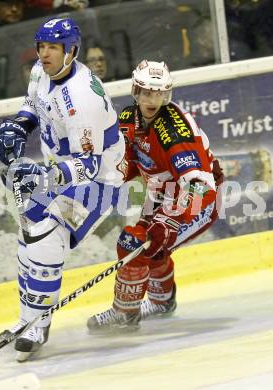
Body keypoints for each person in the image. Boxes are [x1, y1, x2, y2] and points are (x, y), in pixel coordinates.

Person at [0, 17, 125, 361]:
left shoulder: (83, 97)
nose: (45, 53)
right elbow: (33, 106)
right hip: (59, 171)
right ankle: (28, 322)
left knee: (47, 236)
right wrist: (19, 127)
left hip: (97, 183)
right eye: (41, 46)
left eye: (53, 47)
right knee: (28, 238)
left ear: (71, 51)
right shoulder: (41, 70)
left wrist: (41, 178)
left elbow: (90, 165)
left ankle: (37, 326)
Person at [87, 59, 224, 332]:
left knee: (135, 243)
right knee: (149, 246)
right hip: (161, 193)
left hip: (198, 200)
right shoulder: (128, 119)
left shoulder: (173, 130)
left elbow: (200, 186)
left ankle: (125, 312)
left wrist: (171, 221)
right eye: (148, 93)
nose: (153, 100)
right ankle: (162, 302)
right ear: (136, 92)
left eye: (160, 93)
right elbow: (126, 165)